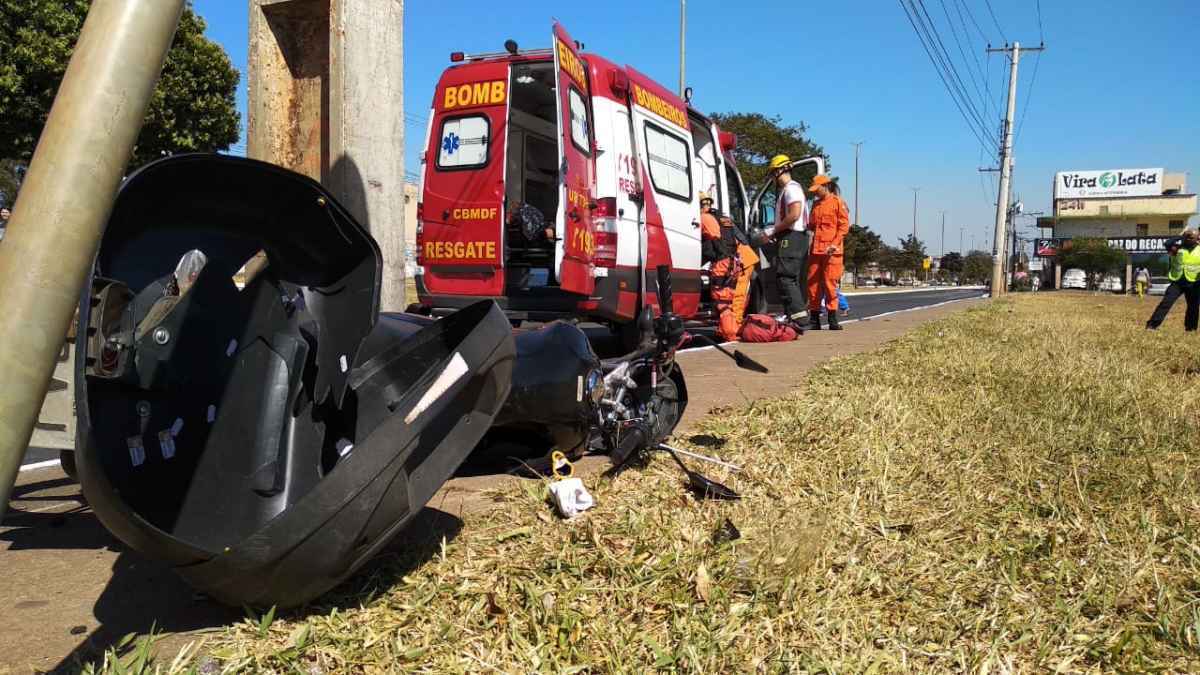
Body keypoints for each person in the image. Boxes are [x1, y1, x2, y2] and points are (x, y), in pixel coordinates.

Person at [760, 155, 809, 327]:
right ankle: (792, 317)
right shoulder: (789, 190)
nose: (773, 178)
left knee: (785, 277)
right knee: (789, 278)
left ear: (780, 170)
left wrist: (773, 229)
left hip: (792, 236)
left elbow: (794, 214)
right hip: (792, 237)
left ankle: (799, 317)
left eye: (773, 173)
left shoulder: (791, 189)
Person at [805, 175, 850, 330]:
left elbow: (844, 227)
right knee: (813, 285)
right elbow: (811, 225)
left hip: (832, 252)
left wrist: (834, 244)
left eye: (817, 190)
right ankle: (814, 320)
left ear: (826, 186)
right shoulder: (815, 204)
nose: (815, 193)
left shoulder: (838, 203)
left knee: (830, 285)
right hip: (816, 251)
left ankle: (832, 319)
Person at [706, 210, 759, 341]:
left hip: (743, 261)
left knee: (738, 298)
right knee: (734, 297)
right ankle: (728, 328)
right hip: (738, 259)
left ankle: (733, 330)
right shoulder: (720, 218)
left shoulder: (708, 219)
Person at [1146, 229, 1200, 331]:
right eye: (1187, 237)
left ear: (1197, 239)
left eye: (1191, 237)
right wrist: (1181, 236)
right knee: (1166, 303)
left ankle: (1191, 328)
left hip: (1194, 283)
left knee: (1193, 307)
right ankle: (1152, 325)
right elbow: (1167, 243)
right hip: (1177, 282)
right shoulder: (1176, 249)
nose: (1188, 239)